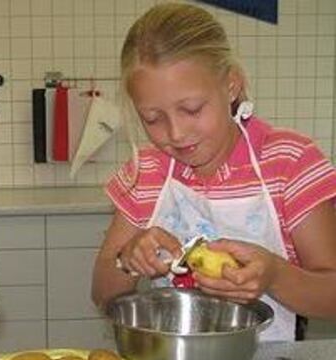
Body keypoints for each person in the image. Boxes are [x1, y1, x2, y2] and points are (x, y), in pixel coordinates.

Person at [91, 2, 336, 341]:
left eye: (192, 109)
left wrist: (275, 275)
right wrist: (128, 261)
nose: (175, 134)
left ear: (231, 86)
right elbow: (103, 294)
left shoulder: (289, 163)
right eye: (152, 118)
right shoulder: (145, 173)